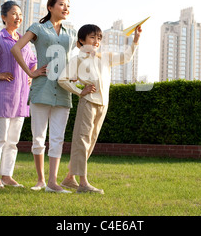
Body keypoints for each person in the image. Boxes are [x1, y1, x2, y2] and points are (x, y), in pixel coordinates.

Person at [58, 23, 142, 194]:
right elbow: (62, 79)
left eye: (99, 38)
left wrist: (136, 39)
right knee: (82, 141)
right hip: (88, 103)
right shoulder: (77, 60)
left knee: (90, 142)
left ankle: (69, 178)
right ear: (82, 40)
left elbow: (126, 57)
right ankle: (83, 183)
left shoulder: (104, 57)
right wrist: (80, 91)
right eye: (92, 37)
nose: (96, 41)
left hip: (103, 104)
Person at [0, 1, 43, 188]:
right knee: (0, 138)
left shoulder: (23, 41)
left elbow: (33, 62)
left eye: (20, 14)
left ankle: (7, 175)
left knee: (13, 141)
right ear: (4, 17)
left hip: (22, 97)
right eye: (13, 14)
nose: (18, 17)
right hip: (4, 94)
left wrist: (31, 76)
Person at [11, 0, 77, 193]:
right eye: (62, 4)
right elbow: (16, 48)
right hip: (42, 89)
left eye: (68, 5)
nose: (66, 8)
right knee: (38, 137)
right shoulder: (38, 28)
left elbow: (79, 55)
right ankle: (40, 180)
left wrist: (74, 74)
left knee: (58, 138)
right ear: (50, 7)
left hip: (63, 92)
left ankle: (53, 183)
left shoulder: (71, 34)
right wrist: (30, 72)